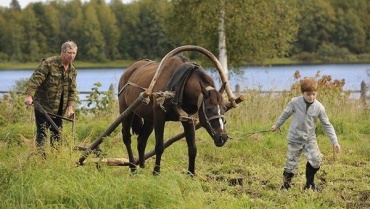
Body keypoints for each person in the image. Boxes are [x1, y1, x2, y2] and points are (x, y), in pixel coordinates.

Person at [271, 77, 341, 192]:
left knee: (316, 160)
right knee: (291, 164)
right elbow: (285, 114)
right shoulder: (294, 102)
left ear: (316, 93)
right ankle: (286, 185)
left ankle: (310, 183)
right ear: (303, 93)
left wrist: (335, 141)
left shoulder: (319, 107)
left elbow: (327, 125)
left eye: (314, 94)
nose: (311, 97)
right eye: (308, 94)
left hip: (309, 138)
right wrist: (277, 125)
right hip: (294, 138)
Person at [24, 41, 78, 150]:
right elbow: (36, 79)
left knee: (57, 133)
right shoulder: (49, 63)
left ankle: (56, 156)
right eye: (69, 53)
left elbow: (72, 90)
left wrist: (70, 108)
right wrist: (29, 96)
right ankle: (40, 157)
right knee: (42, 132)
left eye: (74, 53)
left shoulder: (72, 70)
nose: (72, 56)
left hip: (59, 107)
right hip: (44, 105)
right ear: (63, 52)